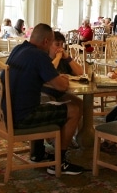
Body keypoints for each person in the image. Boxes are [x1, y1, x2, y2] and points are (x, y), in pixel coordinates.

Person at [5, 23, 84, 175]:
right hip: (23, 117)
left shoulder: (18, 49)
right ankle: (59, 162)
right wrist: (61, 79)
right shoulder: (39, 56)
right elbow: (61, 86)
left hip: (4, 113)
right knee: (73, 109)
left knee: (51, 103)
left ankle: (39, 153)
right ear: (46, 42)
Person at [32, 31, 84, 159]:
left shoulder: (64, 59)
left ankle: (73, 136)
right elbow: (49, 70)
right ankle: (54, 140)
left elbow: (80, 72)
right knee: (66, 108)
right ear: (49, 45)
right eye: (56, 44)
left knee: (79, 103)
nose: (59, 48)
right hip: (45, 93)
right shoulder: (45, 59)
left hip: (61, 92)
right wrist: (58, 57)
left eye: (62, 44)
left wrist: (67, 58)